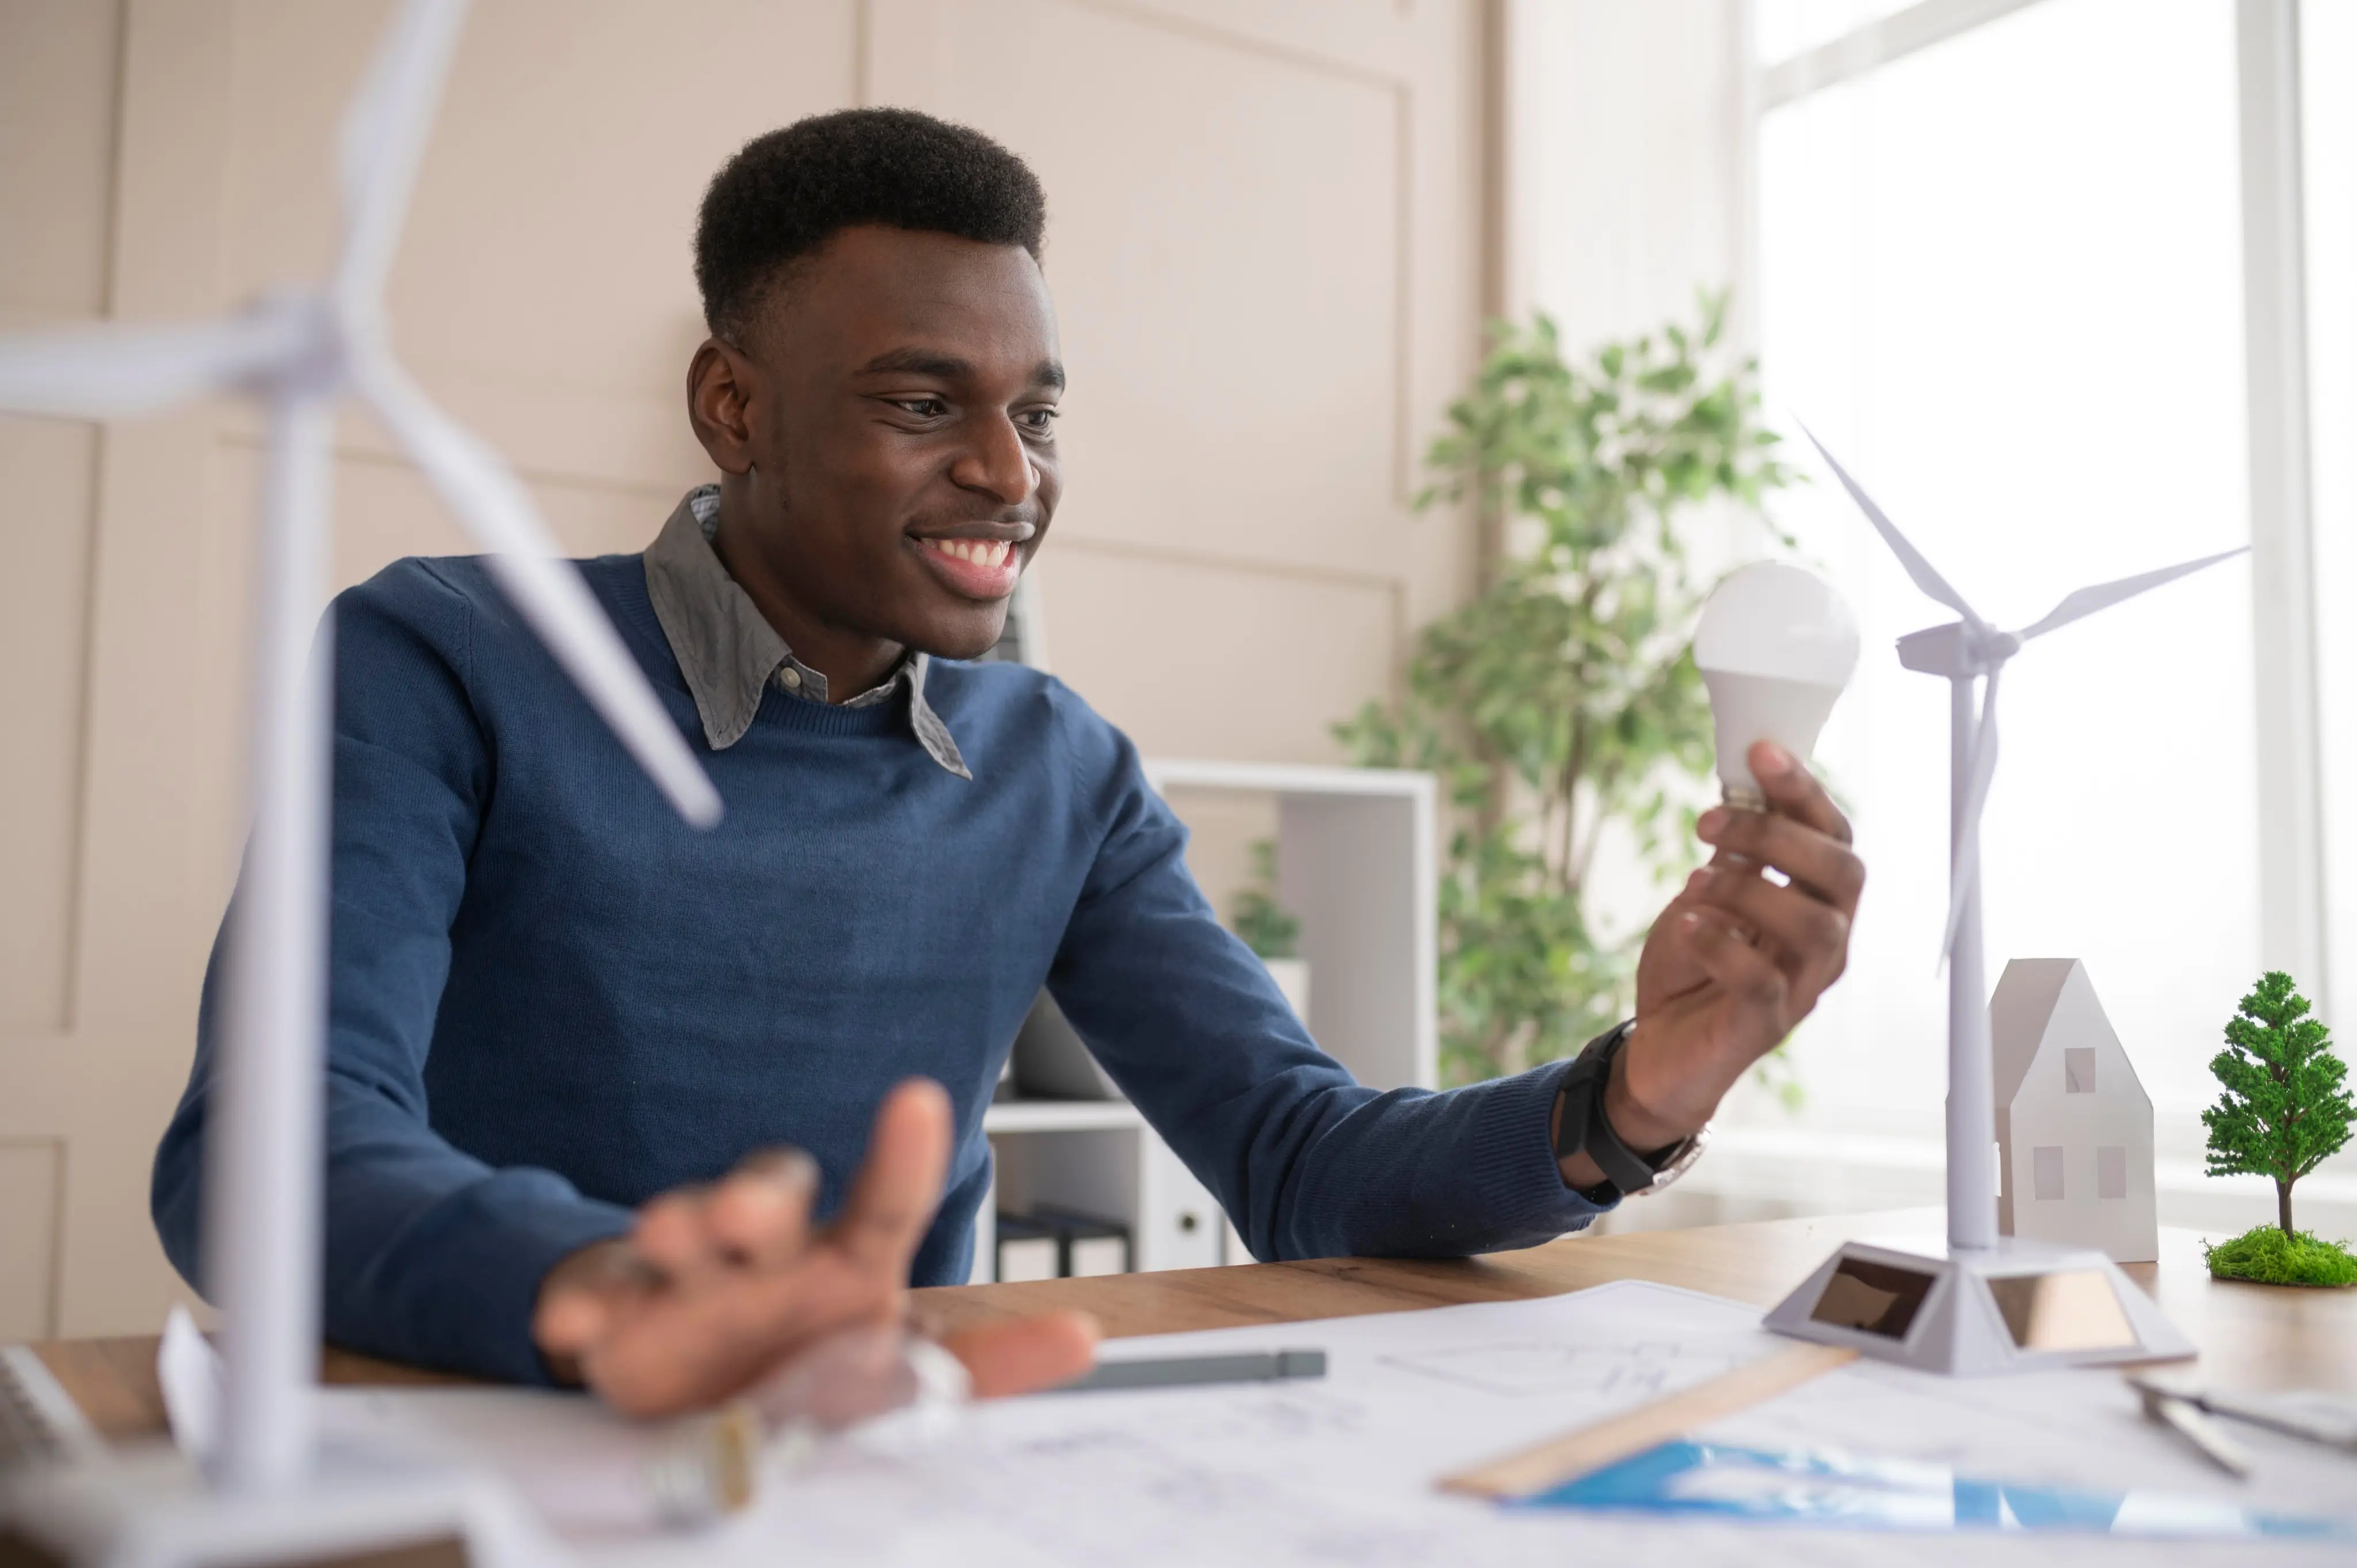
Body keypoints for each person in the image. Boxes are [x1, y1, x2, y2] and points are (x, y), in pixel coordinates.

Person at [153, 109, 1862, 1418]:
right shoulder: (447, 655)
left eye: (1035, 414)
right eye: (922, 404)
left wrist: (1633, 1094)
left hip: (856, 1469)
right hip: (478, 1441)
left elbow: (1301, 1157)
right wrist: (614, 1289)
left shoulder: (1058, 767)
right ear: (732, 408)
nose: (1007, 473)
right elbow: (266, 1148)